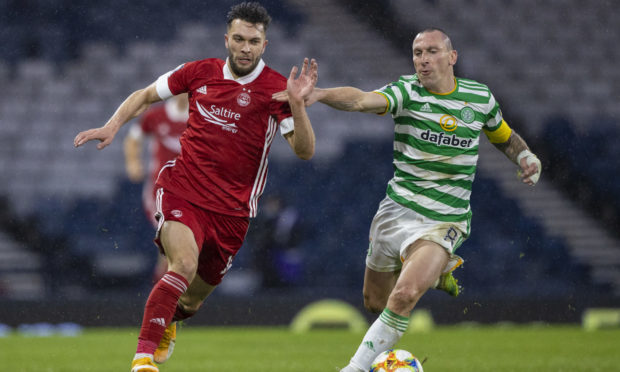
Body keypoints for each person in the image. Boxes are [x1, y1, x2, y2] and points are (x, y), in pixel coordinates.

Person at [276, 27, 541, 372]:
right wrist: (320, 94)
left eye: (431, 51)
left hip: (445, 218)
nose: (423, 59)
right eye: (417, 53)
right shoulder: (407, 92)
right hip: (397, 212)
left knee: (403, 297)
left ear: (451, 56)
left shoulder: (479, 98)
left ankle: (353, 369)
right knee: (375, 302)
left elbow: (501, 134)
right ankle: (434, 272)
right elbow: (360, 100)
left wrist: (525, 157)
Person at [74, 2, 318, 371]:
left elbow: (304, 151)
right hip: (182, 190)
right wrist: (113, 126)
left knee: (192, 301)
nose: (245, 47)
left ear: (264, 45)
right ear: (227, 40)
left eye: (254, 41)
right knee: (182, 263)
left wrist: (298, 105)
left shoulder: (275, 90)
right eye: (239, 38)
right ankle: (142, 358)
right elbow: (144, 95)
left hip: (233, 212)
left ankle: (172, 320)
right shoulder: (198, 71)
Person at [124, 93, 189, 283]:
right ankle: (166, 295)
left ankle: (163, 289)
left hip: (191, 192)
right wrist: (133, 163)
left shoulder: (203, 118)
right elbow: (133, 139)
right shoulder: (156, 116)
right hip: (161, 193)